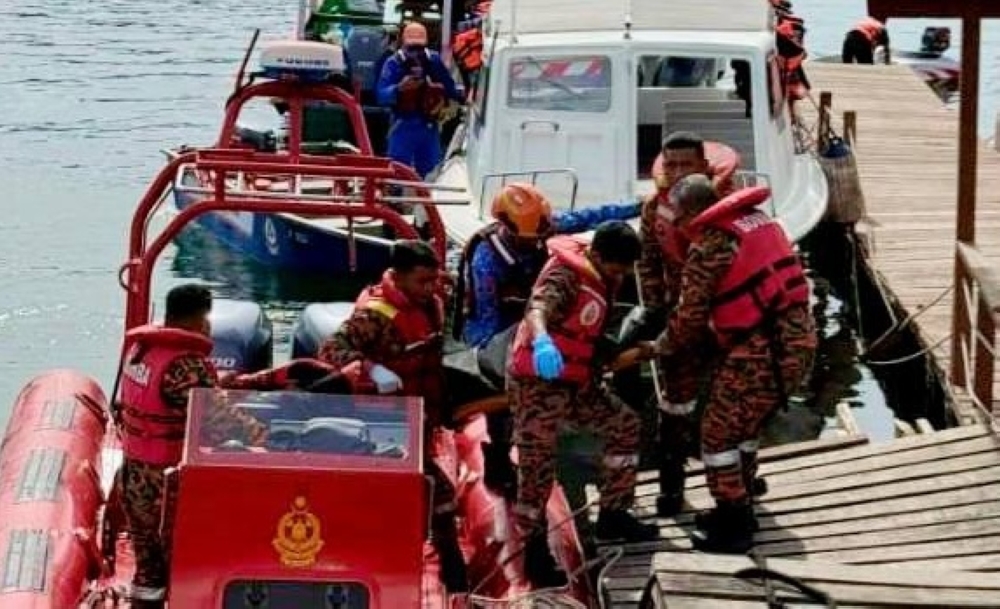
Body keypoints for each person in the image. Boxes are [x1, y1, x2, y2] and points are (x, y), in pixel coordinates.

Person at [655, 176, 817, 553]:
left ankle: (734, 520)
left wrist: (663, 344)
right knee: (744, 426)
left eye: (678, 218)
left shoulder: (711, 245)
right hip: (796, 340)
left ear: (692, 212)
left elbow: (690, 315)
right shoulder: (759, 222)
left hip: (761, 352)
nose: (678, 227)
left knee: (717, 435)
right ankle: (741, 496)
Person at [450, 182, 642, 496]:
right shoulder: (485, 261)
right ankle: (499, 457)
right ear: (505, 227)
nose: (534, 244)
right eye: (526, 241)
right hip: (500, 329)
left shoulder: (543, 228)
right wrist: (514, 355)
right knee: (505, 399)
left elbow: (591, 217)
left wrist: (635, 205)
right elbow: (484, 317)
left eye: (538, 238)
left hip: (549, 321)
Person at [507, 221, 659, 588]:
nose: (620, 275)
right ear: (598, 256)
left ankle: (614, 512)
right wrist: (542, 341)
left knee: (624, 425)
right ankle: (533, 551)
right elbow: (538, 308)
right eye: (616, 268)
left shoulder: (605, 272)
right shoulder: (565, 275)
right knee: (537, 469)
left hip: (577, 381)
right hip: (538, 384)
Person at [317, 240, 468, 592]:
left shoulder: (429, 302)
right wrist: (371, 368)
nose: (430, 288)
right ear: (398, 278)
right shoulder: (374, 316)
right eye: (422, 281)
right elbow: (330, 350)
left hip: (421, 416)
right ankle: (456, 578)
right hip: (383, 422)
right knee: (442, 498)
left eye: (434, 280)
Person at [118, 285, 273, 606]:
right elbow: (220, 422)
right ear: (202, 320)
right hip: (169, 483)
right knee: (185, 562)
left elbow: (170, 398)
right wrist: (267, 437)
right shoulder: (187, 364)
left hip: (134, 476)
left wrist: (220, 384)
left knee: (148, 569)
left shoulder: (142, 350)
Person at [636, 131, 738, 518]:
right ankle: (670, 487)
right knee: (674, 407)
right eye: (671, 164)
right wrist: (656, 312)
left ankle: (741, 482)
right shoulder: (653, 209)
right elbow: (647, 262)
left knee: (734, 407)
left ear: (704, 167)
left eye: (686, 165)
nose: (677, 172)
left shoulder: (727, 206)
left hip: (728, 320)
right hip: (681, 319)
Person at [376, 21, 465, 178]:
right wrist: (399, 88)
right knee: (397, 169)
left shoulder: (434, 61)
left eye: (419, 47)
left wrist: (456, 99)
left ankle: (426, 198)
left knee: (431, 169)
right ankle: (395, 198)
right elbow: (381, 94)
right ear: (403, 42)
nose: (415, 53)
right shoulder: (393, 63)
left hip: (428, 123)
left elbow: (449, 87)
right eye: (412, 47)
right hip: (402, 122)